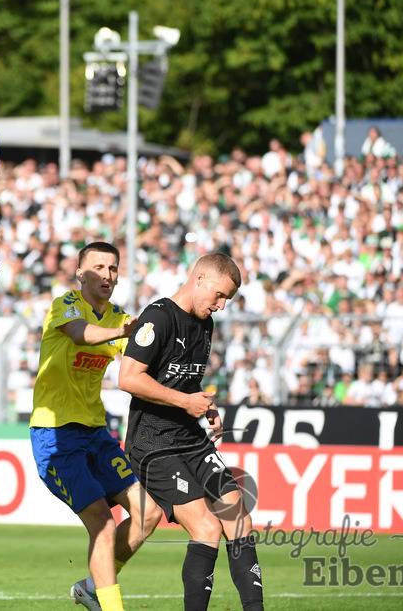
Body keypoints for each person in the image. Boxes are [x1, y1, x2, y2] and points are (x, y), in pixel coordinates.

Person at [118, 253, 264, 611]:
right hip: (153, 443)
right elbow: (128, 378)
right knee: (207, 529)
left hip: (190, 439)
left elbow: (186, 382)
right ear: (199, 280)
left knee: (238, 518)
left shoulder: (204, 324)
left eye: (227, 299)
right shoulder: (159, 317)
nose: (221, 306)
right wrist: (185, 404)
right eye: (219, 295)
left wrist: (204, 406)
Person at [29, 242, 161, 611]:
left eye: (113, 268)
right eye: (99, 267)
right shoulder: (65, 305)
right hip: (56, 434)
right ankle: (111, 605)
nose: (107, 274)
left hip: (96, 433)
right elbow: (79, 335)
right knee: (103, 523)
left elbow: (139, 366)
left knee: (148, 513)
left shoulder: (119, 317)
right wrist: (123, 331)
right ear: (80, 273)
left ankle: (93, 586)